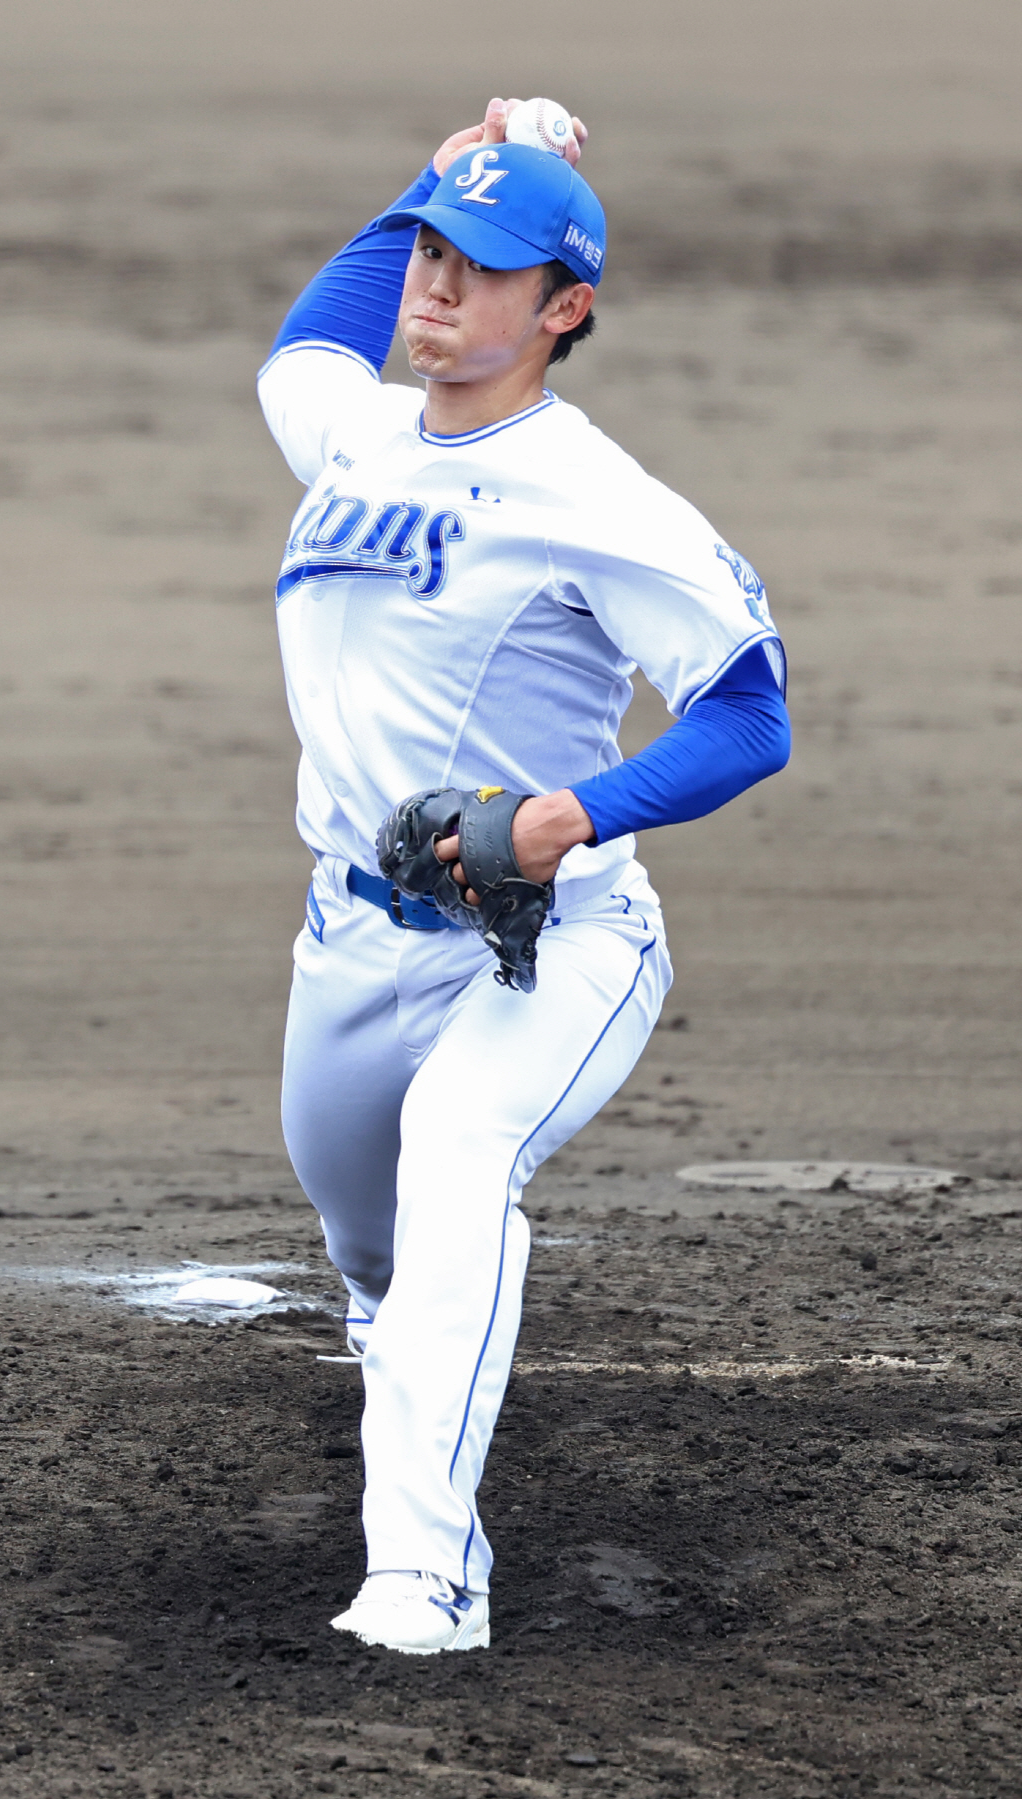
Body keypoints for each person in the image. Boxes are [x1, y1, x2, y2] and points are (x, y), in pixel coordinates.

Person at [257, 98, 790, 1656]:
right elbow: (304, 343)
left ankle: (424, 1579)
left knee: (458, 1159)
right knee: (368, 1248)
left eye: (479, 266)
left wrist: (571, 813)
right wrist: (436, 171)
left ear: (564, 309)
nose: (435, 284)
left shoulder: (602, 500)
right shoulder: (357, 432)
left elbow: (750, 714)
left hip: (549, 940)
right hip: (352, 941)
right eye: (429, 254)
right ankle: (412, 1353)